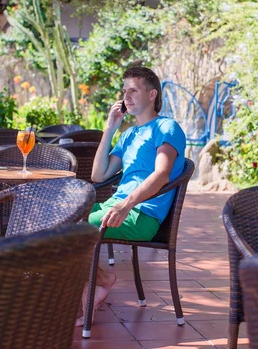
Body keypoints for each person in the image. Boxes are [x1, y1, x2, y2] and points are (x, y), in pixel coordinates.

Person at [77, 67, 186, 326]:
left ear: (152, 94)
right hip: (116, 207)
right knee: (57, 223)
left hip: (141, 214)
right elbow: (98, 175)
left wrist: (126, 205)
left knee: (70, 232)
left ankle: (97, 285)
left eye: (133, 90)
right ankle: (99, 281)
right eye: (124, 91)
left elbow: (161, 174)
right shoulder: (128, 135)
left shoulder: (166, 127)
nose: (126, 96)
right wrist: (109, 128)